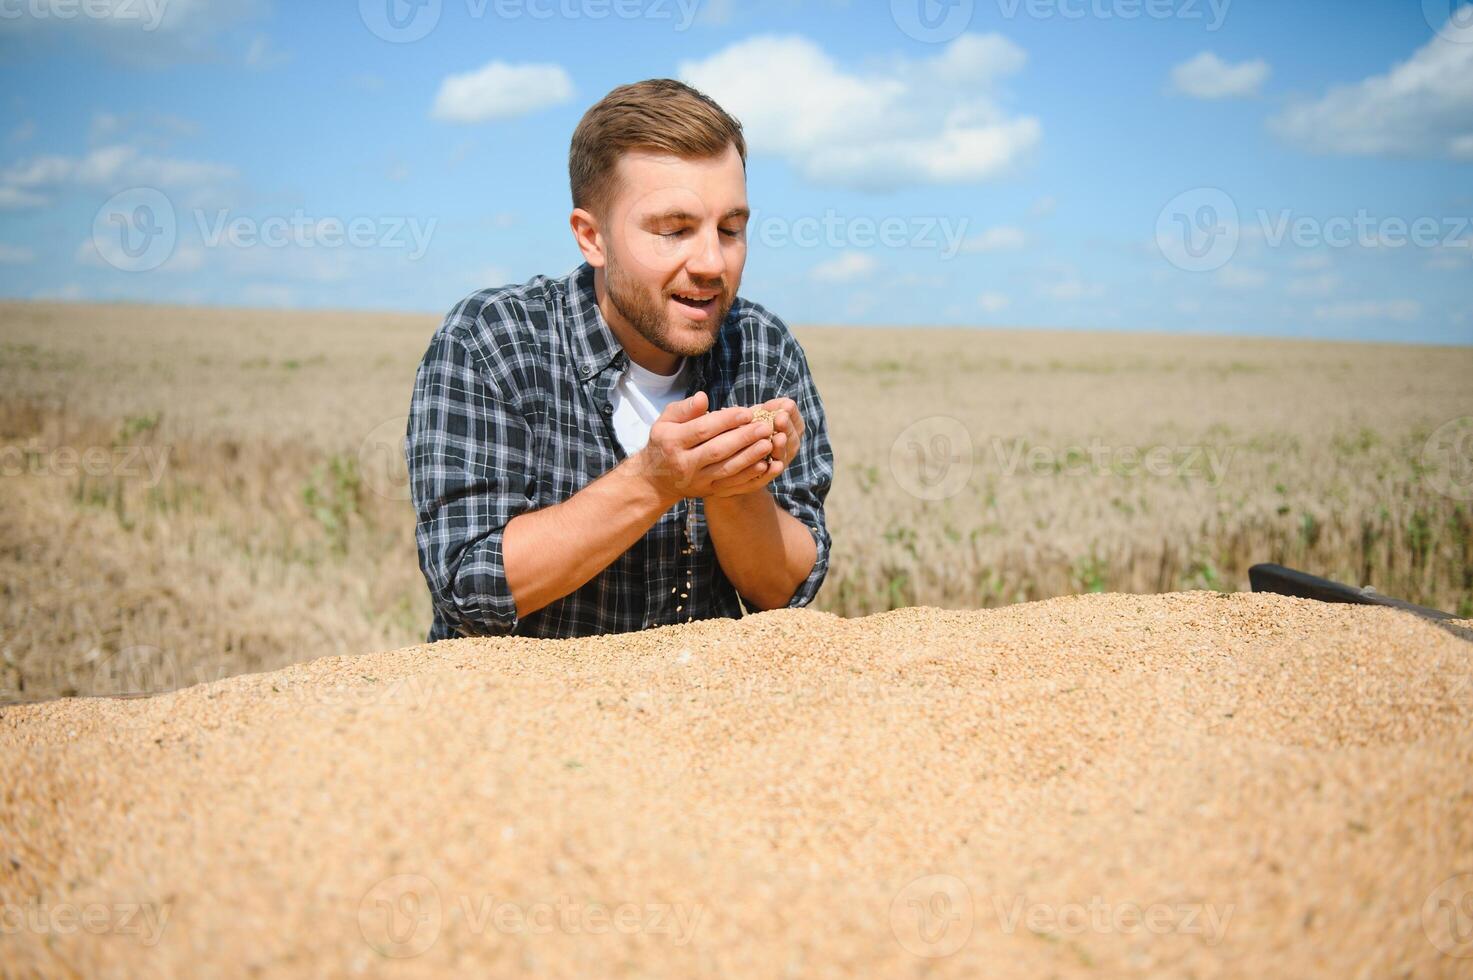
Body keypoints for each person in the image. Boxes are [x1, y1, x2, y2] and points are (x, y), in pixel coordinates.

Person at [406, 78, 834, 640]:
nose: (711, 261)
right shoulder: (492, 341)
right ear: (592, 238)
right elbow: (467, 585)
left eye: (731, 228)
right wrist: (656, 481)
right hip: (516, 718)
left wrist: (732, 488)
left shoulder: (762, 349)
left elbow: (785, 591)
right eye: (674, 230)